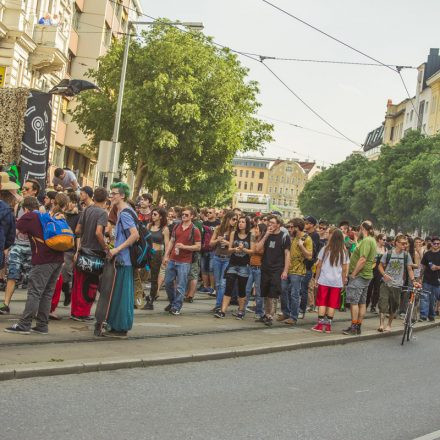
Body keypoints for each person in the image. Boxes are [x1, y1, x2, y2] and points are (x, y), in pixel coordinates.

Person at [4, 194, 67, 335]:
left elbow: (13, 232)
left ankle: (24, 324)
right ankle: (42, 325)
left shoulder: (29, 216)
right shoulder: (45, 214)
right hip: (58, 258)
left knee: (34, 292)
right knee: (47, 293)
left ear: (25, 209)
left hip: (43, 260)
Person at [0, 179, 41, 314]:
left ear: (35, 191)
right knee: (12, 274)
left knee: (31, 279)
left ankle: (30, 309)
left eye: (27, 189)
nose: (23, 191)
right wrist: (8, 247)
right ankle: (5, 304)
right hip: (17, 245)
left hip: (32, 247)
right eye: (23, 188)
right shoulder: (18, 206)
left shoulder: (40, 208)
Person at [104, 182, 139, 337]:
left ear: (123, 195)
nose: (112, 196)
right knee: (120, 293)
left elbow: (134, 235)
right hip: (124, 259)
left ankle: (120, 326)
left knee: (122, 293)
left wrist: (117, 249)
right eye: (111, 193)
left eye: (115, 193)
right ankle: (117, 324)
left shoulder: (124, 212)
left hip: (124, 259)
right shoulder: (126, 211)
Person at [70, 187, 109, 321]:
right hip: (94, 254)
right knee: (90, 284)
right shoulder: (103, 213)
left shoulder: (86, 210)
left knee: (78, 282)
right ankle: (83, 313)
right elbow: (99, 232)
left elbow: (77, 230)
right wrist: (105, 247)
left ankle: (75, 311)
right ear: (105, 199)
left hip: (83, 251)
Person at [163, 206, 201, 315]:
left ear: (192, 216)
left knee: (181, 284)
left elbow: (198, 247)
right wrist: (166, 255)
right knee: (168, 282)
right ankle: (173, 302)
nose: (183, 216)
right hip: (173, 258)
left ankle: (177, 306)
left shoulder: (195, 230)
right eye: (183, 214)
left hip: (185, 261)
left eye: (186, 215)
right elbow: (171, 241)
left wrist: (184, 246)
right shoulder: (176, 226)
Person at [377, 234, 418, 332]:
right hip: (386, 283)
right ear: (397, 243)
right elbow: (380, 266)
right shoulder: (389, 253)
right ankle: (381, 325)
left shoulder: (406, 255)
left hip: (398, 284)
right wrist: (384, 275)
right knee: (383, 303)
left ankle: (389, 325)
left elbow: (409, 269)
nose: (405, 245)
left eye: (406, 244)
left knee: (394, 305)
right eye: (403, 243)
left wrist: (413, 281)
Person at [255, 215, 291, 326]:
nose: (270, 224)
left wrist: (285, 270)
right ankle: (266, 314)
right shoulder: (267, 234)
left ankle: (270, 316)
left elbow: (287, 254)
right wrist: (266, 235)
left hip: (277, 268)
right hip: (265, 267)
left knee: (273, 292)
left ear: (278, 224)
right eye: (269, 222)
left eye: (272, 222)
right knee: (264, 291)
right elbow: (257, 248)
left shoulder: (284, 236)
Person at [342, 221, 377, 336]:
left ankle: (353, 326)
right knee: (362, 302)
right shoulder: (371, 240)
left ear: (363, 228)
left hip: (360, 276)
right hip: (366, 275)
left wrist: (354, 273)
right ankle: (358, 326)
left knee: (354, 302)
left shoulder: (367, 241)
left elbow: (362, 259)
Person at [312, 228, 349, 333]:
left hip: (324, 280)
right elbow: (344, 269)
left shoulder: (325, 249)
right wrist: (343, 283)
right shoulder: (344, 252)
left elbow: (319, 266)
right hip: (336, 282)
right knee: (332, 304)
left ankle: (320, 325)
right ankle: (328, 327)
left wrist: (316, 278)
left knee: (322, 302)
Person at [214, 216, 251, 319]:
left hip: (244, 265)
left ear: (247, 224)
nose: (240, 224)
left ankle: (240, 311)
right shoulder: (234, 234)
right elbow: (229, 249)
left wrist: (244, 250)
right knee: (228, 287)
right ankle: (222, 311)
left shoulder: (250, 235)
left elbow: (253, 251)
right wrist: (235, 249)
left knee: (241, 289)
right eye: (239, 222)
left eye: (243, 222)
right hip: (233, 264)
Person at [279, 218, 313, 326]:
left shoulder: (306, 238)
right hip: (288, 269)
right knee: (283, 290)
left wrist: (301, 245)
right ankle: (286, 313)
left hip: (298, 272)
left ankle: (293, 317)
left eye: (291, 227)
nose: (289, 229)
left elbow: (309, 256)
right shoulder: (291, 237)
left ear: (297, 228)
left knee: (294, 294)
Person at [210, 211, 237, 313]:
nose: (235, 222)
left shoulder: (235, 231)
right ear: (227, 219)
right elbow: (211, 243)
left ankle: (219, 306)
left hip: (228, 258)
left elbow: (237, 245)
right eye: (233, 219)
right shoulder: (218, 228)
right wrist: (217, 240)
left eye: (236, 220)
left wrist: (228, 243)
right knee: (217, 283)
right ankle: (219, 304)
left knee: (222, 283)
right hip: (217, 257)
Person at [143, 207, 170, 310]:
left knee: (154, 279)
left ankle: (150, 302)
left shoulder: (164, 229)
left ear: (161, 216)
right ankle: (140, 295)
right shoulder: (149, 225)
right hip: (147, 253)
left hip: (157, 254)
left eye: (155, 214)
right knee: (141, 275)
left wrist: (166, 257)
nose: (152, 216)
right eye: (152, 214)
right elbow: (144, 239)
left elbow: (167, 245)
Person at [60, 191, 81, 307]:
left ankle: (68, 292)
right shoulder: (62, 214)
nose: (72, 205)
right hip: (60, 247)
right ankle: (66, 291)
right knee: (61, 276)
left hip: (70, 249)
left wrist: (77, 251)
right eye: (70, 202)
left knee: (66, 275)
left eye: (74, 202)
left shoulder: (79, 216)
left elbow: (78, 235)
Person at [244, 222, 266, 318]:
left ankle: (259, 312)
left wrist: (250, 248)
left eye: (257, 229)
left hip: (259, 268)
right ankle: (242, 309)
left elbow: (257, 250)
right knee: (247, 290)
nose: (255, 230)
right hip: (251, 267)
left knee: (258, 292)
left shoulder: (264, 241)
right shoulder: (255, 239)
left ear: (262, 231)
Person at [301, 215, 321, 315]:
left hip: (309, 265)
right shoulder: (305, 234)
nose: (305, 224)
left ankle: (304, 309)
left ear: (312, 225)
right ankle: (304, 307)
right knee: (303, 288)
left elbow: (313, 251)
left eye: (307, 223)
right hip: (302, 264)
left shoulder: (315, 235)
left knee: (306, 288)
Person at [418, 236, 440, 322]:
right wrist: (419, 278)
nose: (436, 245)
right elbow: (423, 266)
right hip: (427, 279)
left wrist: (437, 267)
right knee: (424, 297)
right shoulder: (427, 254)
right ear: (431, 243)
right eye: (435, 243)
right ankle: (423, 315)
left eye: (438, 243)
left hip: (437, 281)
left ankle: (431, 315)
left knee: (433, 299)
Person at [199, 207, 220, 295]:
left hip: (214, 249)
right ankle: (205, 286)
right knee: (204, 268)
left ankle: (212, 287)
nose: (208, 214)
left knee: (211, 269)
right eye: (207, 213)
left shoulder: (218, 224)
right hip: (205, 248)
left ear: (215, 214)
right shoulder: (204, 223)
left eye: (210, 213)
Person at [366, 234, 387, 313]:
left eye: (385, 240)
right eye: (383, 240)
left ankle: (373, 306)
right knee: (369, 288)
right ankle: (366, 304)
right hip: (372, 269)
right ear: (379, 239)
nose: (385, 241)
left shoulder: (385, 249)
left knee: (377, 289)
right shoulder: (374, 247)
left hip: (380, 271)